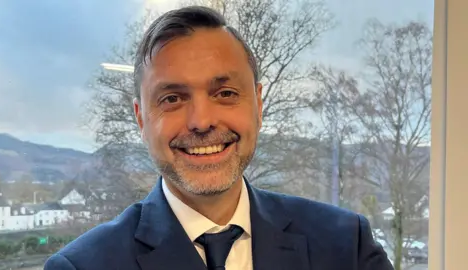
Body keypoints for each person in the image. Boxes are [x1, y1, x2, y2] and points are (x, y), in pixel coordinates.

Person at [44, 6, 394, 270]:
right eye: (172, 99)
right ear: (140, 118)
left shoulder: (346, 245)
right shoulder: (82, 267)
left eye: (225, 93)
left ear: (258, 104)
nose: (201, 121)